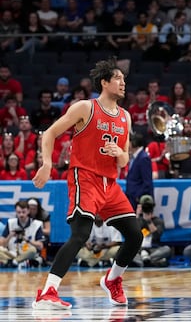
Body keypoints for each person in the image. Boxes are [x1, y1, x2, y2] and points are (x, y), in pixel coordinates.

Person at [31, 58, 143, 310]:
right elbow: (49, 133)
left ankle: (113, 279)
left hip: (110, 184)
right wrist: (47, 164)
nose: (123, 83)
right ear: (104, 82)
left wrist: (118, 153)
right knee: (81, 234)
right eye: (117, 79)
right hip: (86, 177)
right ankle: (47, 292)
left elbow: (124, 159)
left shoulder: (125, 116)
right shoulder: (85, 108)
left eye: (124, 79)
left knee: (135, 235)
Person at [0, 200, 45, 267]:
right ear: (16, 212)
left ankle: (12, 262)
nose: (21, 214)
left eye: (23, 212)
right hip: (12, 254)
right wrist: (10, 236)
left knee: (33, 250)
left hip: (27, 253)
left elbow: (40, 246)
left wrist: (27, 240)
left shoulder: (37, 224)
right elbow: (2, 245)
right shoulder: (10, 223)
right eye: (19, 212)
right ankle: (17, 262)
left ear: (28, 211)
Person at [132, 195, 171, 267]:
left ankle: (145, 261)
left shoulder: (159, 221)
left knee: (167, 249)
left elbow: (156, 235)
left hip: (153, 249)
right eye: (144, 206)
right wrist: (137, 215)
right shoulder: (138, 220)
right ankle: (152, 262)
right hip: (139, 250)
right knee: (128, 251)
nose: (147, 209)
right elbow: (132, 235)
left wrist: (149, 221)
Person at [125, 132, 153, 209]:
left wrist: (138, 196)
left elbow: (147, 181)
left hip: (137, 200)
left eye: (129, 142)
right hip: (131, 197)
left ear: (134, 143)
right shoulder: (135, 157)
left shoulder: (143, 158)